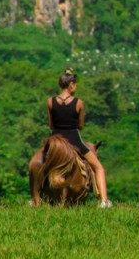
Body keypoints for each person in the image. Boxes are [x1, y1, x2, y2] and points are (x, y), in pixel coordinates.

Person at [45, 69, 112, 207]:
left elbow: (51, 125)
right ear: (71, 85)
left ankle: (34, 199)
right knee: (98, 168)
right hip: (74, 141)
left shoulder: (50, 102)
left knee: (39, 165)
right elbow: (80, 126)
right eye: (75, 84)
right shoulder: (79, 103)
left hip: (55, 142)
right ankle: (104, 201)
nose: (76, 87)